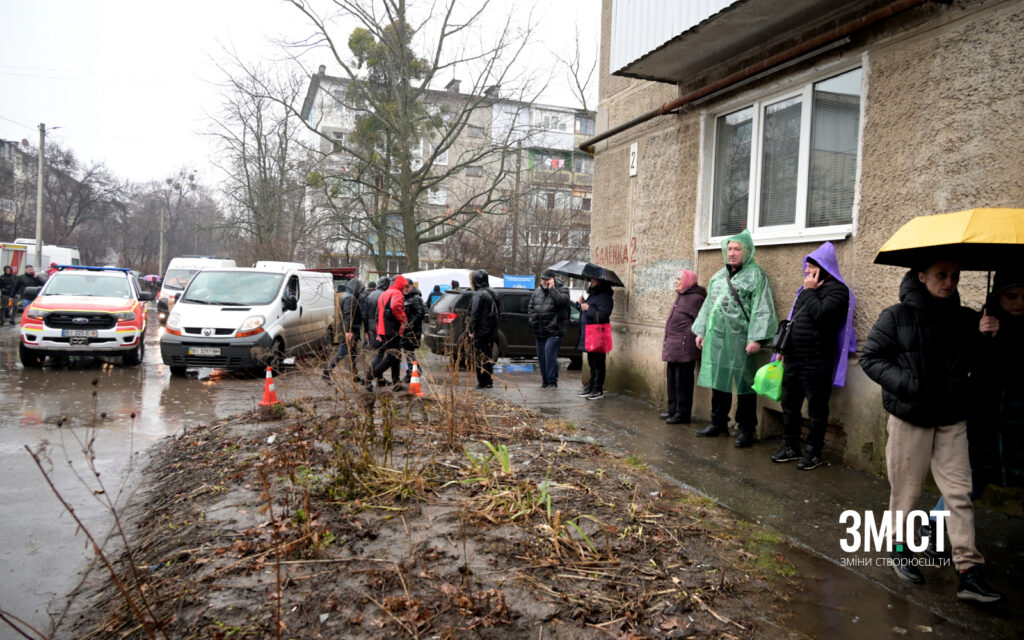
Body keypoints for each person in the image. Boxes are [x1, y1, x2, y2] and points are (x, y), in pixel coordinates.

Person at [861, 259, 1001, 603]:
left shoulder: (968, 319)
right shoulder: (895, 316)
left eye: (955, 276)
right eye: (942, 275)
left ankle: (969, 571)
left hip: (952, 418)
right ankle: (899, 548)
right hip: (912, 418)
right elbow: (871, 358)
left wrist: (988, 338)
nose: (949, 282)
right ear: (921, 276)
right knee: (905, 492)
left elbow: (979, 366)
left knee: (959, 493)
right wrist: (909, 384)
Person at [923, 270, 1024, 559]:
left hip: (1018, 421)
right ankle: (932, 526)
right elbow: (970, 368)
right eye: (1011, 296)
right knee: (969, 481)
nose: (1018, 303)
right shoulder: (981, 323)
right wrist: (987, 339)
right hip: (986, 420)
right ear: (998, 296)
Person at [772, 242, 855, 470]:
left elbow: (821, 315)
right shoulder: (806, 289)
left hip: (817, 361)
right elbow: (795, 320)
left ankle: (814, 452)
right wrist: (783, 350)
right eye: (806, 267)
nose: (806, 271)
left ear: (823, 268)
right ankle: (790, 446)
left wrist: (809, 290)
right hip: (794, 358)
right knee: (789, 403)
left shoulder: (839, 291)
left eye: (810, 267)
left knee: (817, 410)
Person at [692, 229, 777, 447]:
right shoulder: (718, 276)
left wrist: (757, 338)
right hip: (718, 339)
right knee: (719, 382)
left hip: (742, 340)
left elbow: (762, 308)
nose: (732, 253)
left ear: (746, 251)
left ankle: (746, 428)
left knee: (745, 385)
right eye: (729, 249)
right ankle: (718, 421)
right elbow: (709, 305)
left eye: (737, 249)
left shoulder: (756, 275)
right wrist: (702, 331)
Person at [660, 269, 706, 424]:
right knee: (672, 380)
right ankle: (672, 410)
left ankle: (682, 414)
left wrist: (688, 335)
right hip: (673, 346)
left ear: (687, 281)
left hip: (685, 348)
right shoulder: (682, 296)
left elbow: (701, 322)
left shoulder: (695, 298)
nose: (676, 281)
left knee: (683, 383)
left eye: (679, 279)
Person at [529, 269, 571, 388]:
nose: (544, 281)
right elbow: (531, 307)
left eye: (547, 279)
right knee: (542, 356)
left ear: (553, 279)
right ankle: (545, 380)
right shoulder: (537, 291)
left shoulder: (562, 289)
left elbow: (562, 302)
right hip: (540, 330)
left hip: (555, 330)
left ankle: (552, 381)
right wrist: (533, 321)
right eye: (543, 279)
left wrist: (552, 289)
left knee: (549, 354)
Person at [574, 277, 615, 400]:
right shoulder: (593, 294)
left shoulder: (606, 297)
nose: (590, 282)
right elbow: (586, 310)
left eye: (593, 280)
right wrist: (580, 304)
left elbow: (602, 315)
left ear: (600, 282)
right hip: (588, 334)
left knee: (598, 363)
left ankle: (598, 389)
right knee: (592, 362)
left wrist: (588, 308)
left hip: (597, 334)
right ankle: (591, 386)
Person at [367, 275, 410, 389]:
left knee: (396, 355)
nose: (405, 288)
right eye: (404, 285)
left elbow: (377, 313)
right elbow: (395, 306)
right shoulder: (397, 293)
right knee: (392, 356)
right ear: (400, 284)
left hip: (383, 329)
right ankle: (369, 377)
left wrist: (379, 329)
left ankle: (396, 381)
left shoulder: (385, 293)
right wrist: (403, 319)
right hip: (392, 329)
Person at [323, 278, 365, 382]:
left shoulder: (346, 296)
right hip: (349, 331)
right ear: (356, 288)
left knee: (353, 353)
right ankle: (326, 371)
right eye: (360, 290)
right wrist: (348, 331)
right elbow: (348, 315)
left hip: (348, 330)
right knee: (343, 351)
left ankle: (354, 375)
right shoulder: (350, 298)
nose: (361, 293)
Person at [467, 269, 499, 389]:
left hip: (481, 331)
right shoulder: (494, 292)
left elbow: (474, 314)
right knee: (488, 356)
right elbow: (498, 312)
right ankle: (489, 381)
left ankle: (482, 382)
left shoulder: (478, 294)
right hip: (492, 330)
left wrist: (471, 329)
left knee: (480, 356)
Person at [401, 285, 425, 382]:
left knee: (408, 350)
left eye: (407, 287)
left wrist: (410, 324)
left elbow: (420, 314)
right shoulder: (407, 298)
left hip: (413, 330)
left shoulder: (416, 298)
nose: (405, 289)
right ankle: (415, 369)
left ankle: (413, 370)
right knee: (408, 350)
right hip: (408, 329)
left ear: (411, 287)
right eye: (404, 287)